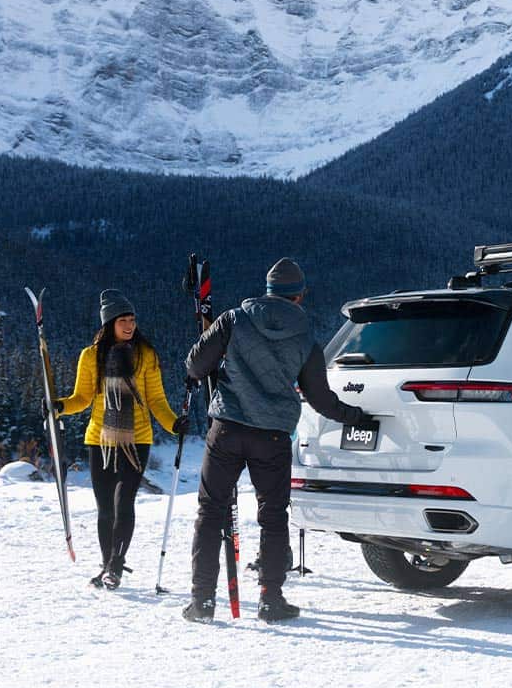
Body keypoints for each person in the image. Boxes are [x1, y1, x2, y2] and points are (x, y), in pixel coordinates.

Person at [182, 258, 369, 623]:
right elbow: (321, 400)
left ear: (267, 289)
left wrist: (221, 364)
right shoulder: (307, 339)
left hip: (227, 429)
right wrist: (357, 416)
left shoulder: (233, 319)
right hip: (272, 436)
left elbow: (193, 366)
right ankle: (271, 599)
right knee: (272, 516)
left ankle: (203, 601)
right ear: (300, 296)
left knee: (210, 512)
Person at [55, 290, 185, 590]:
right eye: (123, 320)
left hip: (136, 440)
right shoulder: (90, 356)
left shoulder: (146, 355)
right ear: (109, 323)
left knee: (124, 501)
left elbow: (156, 400)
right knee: (105, 508)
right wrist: (59, 406)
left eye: (132, 320)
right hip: (99, 440)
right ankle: (105, 565)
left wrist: (174, 425)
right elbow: (83, 398)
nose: (129, 326)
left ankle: (115, 565)